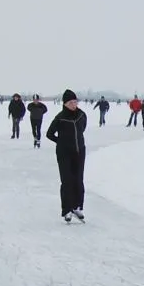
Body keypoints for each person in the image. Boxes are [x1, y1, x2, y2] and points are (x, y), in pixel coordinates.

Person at [45, 90, 88, 221]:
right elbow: (49, 134)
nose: (74, 105)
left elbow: (82, 129)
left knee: (78, 180)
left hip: (80, 151)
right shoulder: (60, 117)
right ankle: (67, 209)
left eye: (75, 102)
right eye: (71, 102)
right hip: (64, 153)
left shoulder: (81, 115)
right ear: (65, 104)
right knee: (67, 180)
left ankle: (77, 207)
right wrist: (61, 142)